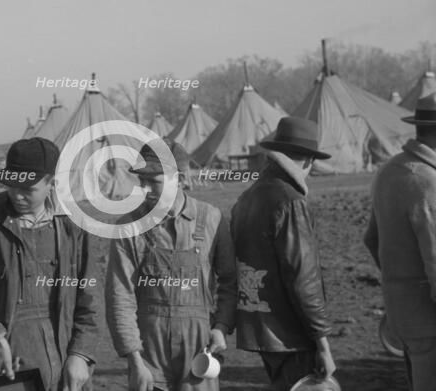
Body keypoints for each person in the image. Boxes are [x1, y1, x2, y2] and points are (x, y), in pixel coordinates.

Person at [0, 137, 99, 391]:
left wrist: (81, 355)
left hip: (66, 365)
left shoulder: (74, 226)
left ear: (51, 183)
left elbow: (91, 300)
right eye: (12, 186)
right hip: (4, 369)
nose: (17, 196)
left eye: (28, 189)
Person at [106, 139, 236, 391]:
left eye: (153, 181)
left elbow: (230, 281)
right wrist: (134, 359)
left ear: (181, 178)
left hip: (199, 347)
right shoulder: (130, 227)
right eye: (141, 181)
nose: (145, 189)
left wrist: (221, 326)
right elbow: (120, 296)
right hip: (149, 352)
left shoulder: (212, 219)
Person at [230, 117, 335, 390]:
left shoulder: (246, 199)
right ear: (308, 161)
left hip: (262, 326)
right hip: (292, 333)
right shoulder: (290, 201)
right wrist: (322, 341)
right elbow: (303, 280)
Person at [364, 92, 436, 391]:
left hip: (403, 312)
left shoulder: (389, 171)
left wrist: (400, 281)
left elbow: (371, 238)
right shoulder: (426, 181)